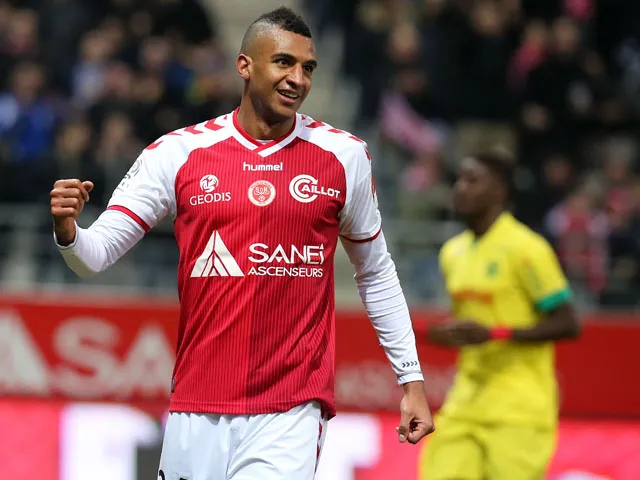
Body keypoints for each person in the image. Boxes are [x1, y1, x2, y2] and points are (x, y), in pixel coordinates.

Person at [49, 7, 434, 480]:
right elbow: (95, 256)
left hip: (290, 407)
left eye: (308, 68)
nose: (298, 79)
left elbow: (375, 272)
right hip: (196, 404)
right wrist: (68, 231)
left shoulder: (343, 155)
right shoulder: (178, 153)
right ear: (244, 65)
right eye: (284, 63)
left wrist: (411, 378)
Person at [419, 151, 581, 480]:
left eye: (472, 180)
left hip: (519, 407)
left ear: (499, 191)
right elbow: (471, 323)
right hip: (466, 400)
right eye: (459, 179)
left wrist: (495, 334)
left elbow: (568, 323)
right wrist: (449, 334)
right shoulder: (453, 252)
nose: (460, 188)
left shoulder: (527, 248)